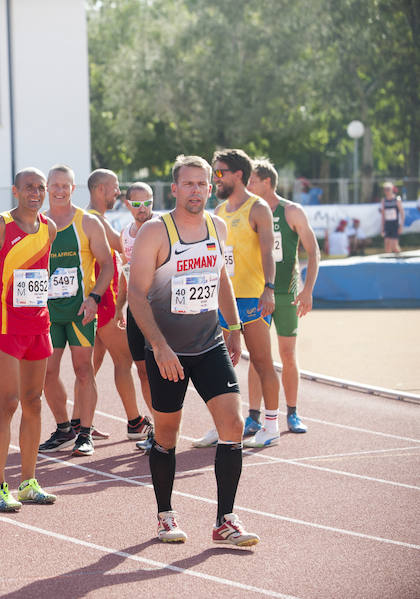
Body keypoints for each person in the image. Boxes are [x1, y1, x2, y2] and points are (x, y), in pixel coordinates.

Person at [128, 154, 258, 547]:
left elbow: (220, 278)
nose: (197, 190)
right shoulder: (156, 231)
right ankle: (165, 515)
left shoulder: (217, 226)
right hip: (168, 349)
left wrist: (233, 326)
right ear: (174, 188)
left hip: (208, 343)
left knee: (232, 424)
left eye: (203, 183)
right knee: (167, 433)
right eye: (189, 184)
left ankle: (225, 520)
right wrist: (159, 346)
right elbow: (136, 294)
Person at [0, 167, 58, 511]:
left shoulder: (50, 228)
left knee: (34, 400)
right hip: (6, 328)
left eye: (40, 188)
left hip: (38, 325)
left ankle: (29, 482)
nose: (35, 193)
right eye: (29, 187)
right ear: (15, 191)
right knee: (8, 402)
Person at [194, 149, 281, 449]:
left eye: (219, 173)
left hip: (253, 299)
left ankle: (271, 425)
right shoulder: (217, 213)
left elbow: (269, 251)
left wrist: (269, 288)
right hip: (223, 299)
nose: (215, 179)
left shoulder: (258, 209)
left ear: (238, 175)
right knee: (218, 366)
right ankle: (223, 424)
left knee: (260, 361)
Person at [37, 165, 114, 457]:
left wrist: (94, 298)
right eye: (54, 185)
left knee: (84, 369)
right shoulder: (38, 223)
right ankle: (63, 428)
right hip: (47, 312)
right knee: (47, 372)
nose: (59, 190)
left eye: (64, 185)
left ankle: (85, 431)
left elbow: (107, 263)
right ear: (46, 188)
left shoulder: (88, 222)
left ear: (73, 188)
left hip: (80, 309)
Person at [246, 159, 320, 435]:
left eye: (252, 181)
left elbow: (313, 251)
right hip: (257, 294)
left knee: (287, 355)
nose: (248, 186)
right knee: (256, 356)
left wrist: (308, 289)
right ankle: (253, 415)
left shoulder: (292, 212)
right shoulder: (249, 213)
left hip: (286, 294)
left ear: (267, 182)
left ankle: (292, 412)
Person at [86, 170, 154, 445]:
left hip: (102, 298)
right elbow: (125, 251)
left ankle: (79, 422)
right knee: (124, 361)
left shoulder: (91, 218)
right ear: (102, 189)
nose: (117, 193)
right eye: (115, 189)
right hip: (102, 300)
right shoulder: (95, 220)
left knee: (92, 364)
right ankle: (135, 421)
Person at [118, 182, 161, 452]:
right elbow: (126, 274)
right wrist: (119, 306)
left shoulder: (162, 228)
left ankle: (169, 427)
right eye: (137, 204)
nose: (143, 208)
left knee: (162, 370)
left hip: (159, 309)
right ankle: (157, 427)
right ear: (127, 205)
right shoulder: (125, 234)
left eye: (148, 202)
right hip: (135, 310)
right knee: (143, 370)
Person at [380, 181, 404, 254]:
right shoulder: (384, 200)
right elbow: (383, 215)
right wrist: (382, 228)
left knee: (394, 246)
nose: (387, 191)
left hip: (395, 224)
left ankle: (400, 258)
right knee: (387, 245)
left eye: (388, 189)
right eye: (385, 189)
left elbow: (402, 213)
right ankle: (388, 263)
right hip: (388, 224)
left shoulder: (397, 199)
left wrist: (401, 226)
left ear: (392, 189)